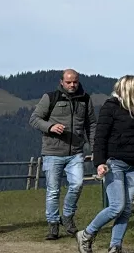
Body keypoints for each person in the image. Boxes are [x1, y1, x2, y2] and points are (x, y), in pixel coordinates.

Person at [81, 75, 134, 253]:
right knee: (117, 206)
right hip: (115, 163)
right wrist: (99, 162)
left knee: (126, 209)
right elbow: (100, 137)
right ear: (130, 89)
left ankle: (114, 250)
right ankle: (87, 234)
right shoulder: (110, 107)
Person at [30, 69, 96, 242]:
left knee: (77, 184)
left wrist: (95, 148)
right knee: (53, 191)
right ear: (61, 82)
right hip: (53, 152)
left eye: (75, 81)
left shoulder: (85, 99)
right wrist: (50, 127)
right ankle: (53, 224)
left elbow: (91, 125)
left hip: (76, 152)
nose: (72, 85)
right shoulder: (50, 98)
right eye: (68, 82)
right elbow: (35, 119)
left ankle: (67, 216)